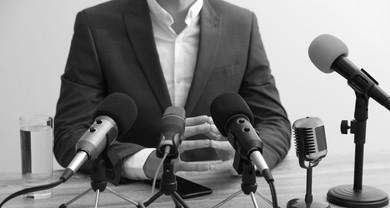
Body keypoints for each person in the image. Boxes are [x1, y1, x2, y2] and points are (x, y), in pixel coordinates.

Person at [53, 0, 291, 181]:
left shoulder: (242, 23)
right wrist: (142, 163)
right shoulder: (96, 24)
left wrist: (246, 157)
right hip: (129, 201)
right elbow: (70, 133)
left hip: (222, 192)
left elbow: (274, 122)